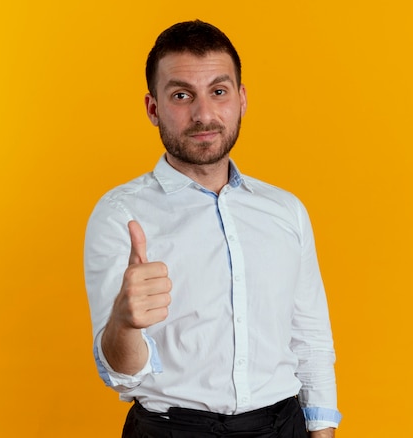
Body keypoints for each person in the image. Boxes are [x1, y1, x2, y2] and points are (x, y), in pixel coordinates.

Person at [84, 20, 342, 437]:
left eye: (218, 92)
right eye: (182, 95)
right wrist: (124, 323)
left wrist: (322, 430)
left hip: (282, 426)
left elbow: (310, 339)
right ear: (153, 108)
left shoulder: (285, 210)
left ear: (240, 99)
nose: (204, 114)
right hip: (172, 430)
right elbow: (120, 375)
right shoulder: (120, 215)